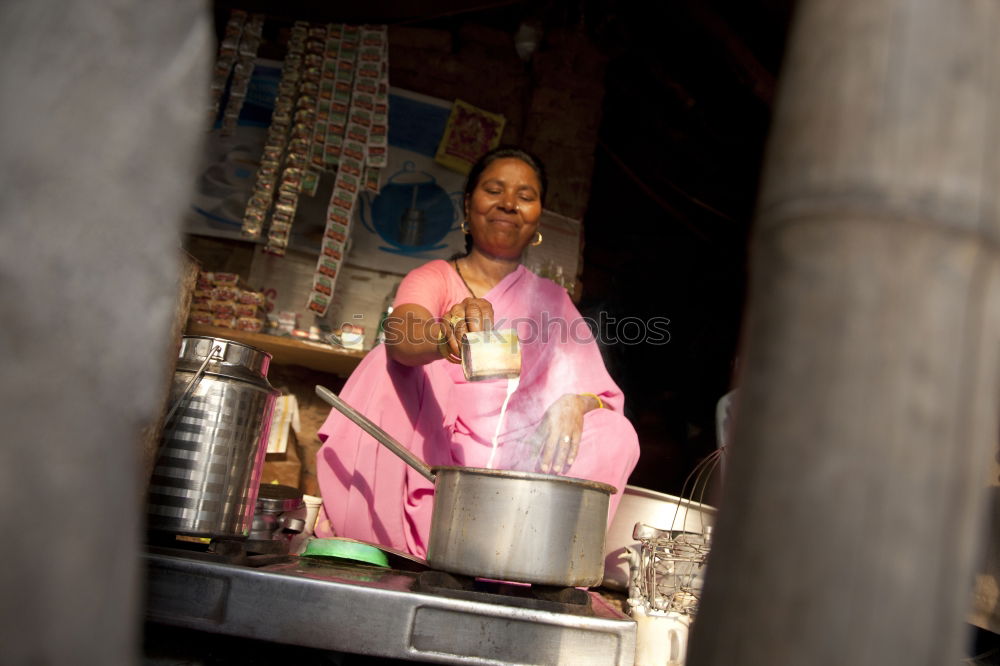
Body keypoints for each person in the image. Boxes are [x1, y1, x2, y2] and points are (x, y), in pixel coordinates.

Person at [314, 146, 640, 557]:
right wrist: (443, 340)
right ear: (468, 205)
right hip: (432, 459)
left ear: (538, 216)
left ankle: (531, 559)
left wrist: (575, 404)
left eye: (525, 196)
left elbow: (605, 398)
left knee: (614, 431)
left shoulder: (552, 301)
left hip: (519, 467)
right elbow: (401, 336)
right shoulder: (435, 277)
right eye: (494, 190)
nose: (508, 203)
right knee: (388, 364)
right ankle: (400, 535)